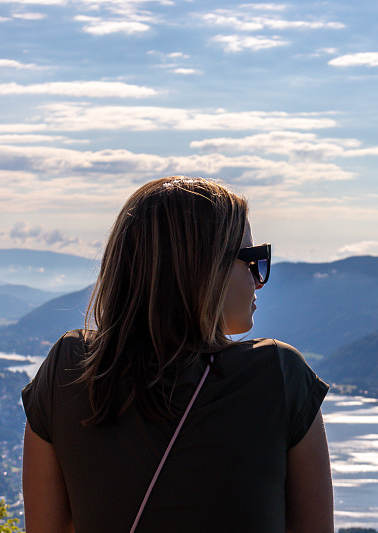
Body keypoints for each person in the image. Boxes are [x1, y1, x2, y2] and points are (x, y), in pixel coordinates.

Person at [21, 176, 333, 532]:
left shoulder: (69, 367)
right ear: (203, 269)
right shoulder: (277, 376)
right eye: (251, 259)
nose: (259, 279)